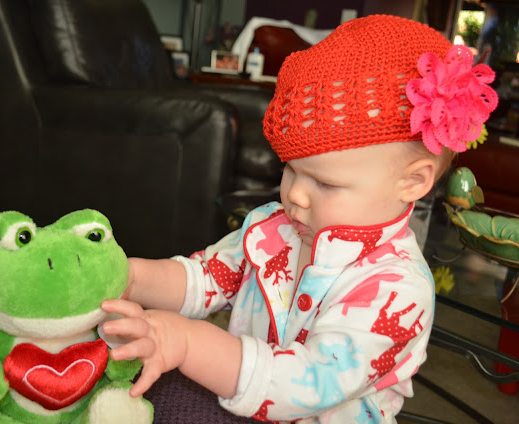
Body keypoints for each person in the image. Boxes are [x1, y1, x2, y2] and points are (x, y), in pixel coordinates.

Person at [101, 15, 498, 423]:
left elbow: (306, 383)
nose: (294, 194)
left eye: (325, 183)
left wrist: (187, 343)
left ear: (413, 182)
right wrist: (132, 277)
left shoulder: (397, 290)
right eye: (290, 169)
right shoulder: (274, 228)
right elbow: (204, 278)